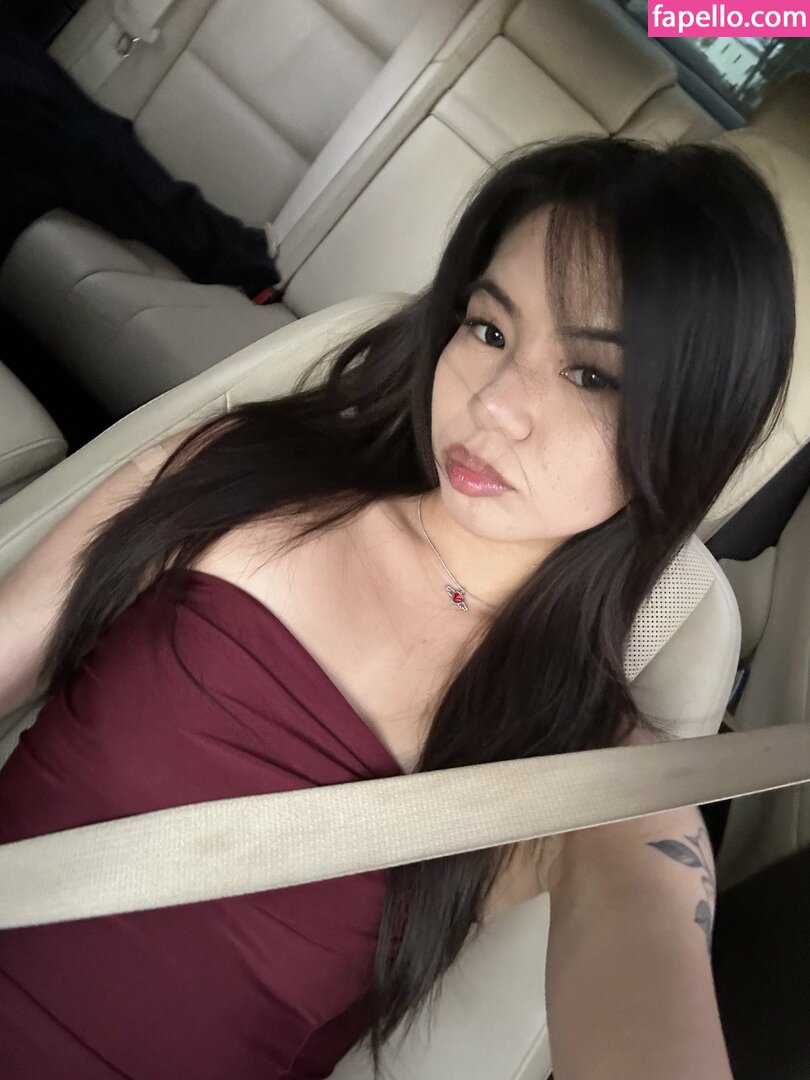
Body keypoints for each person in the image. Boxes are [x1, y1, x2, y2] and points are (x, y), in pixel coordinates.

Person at [0, 134, 796, 1080]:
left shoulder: (585, 764)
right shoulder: (240, 473)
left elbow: (644, 941)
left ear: (689, 436)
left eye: (592, 375)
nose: (494, 404)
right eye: (489, 330)